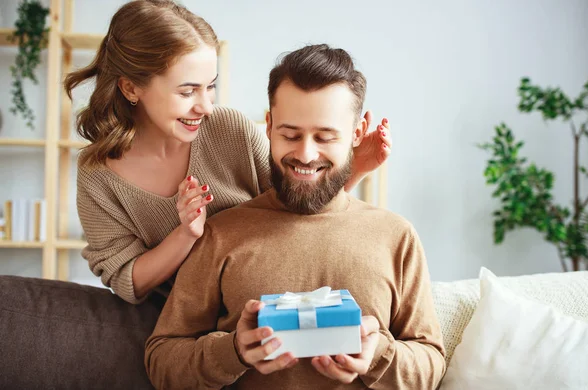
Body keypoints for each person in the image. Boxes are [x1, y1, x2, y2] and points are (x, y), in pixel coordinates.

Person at [145, 43, 445, 390]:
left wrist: (376, 354)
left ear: (359, 132)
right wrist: (234, 351)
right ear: (269, 125)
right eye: (290, 134)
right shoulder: (221, 233)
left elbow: (432, 363)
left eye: (325, 136)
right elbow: (161, 361)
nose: (305, 154)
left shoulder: (396, 237)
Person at [66, 0, 392, 307]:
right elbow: (127, 281)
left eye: (210, 86)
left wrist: (354, 169)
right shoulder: (99, 176)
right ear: (130, 88)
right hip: (184, 320)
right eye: (187, 90)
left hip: (268, 297)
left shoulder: (229, 128)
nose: (206, 106)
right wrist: (186, 234)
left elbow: (297, 208)